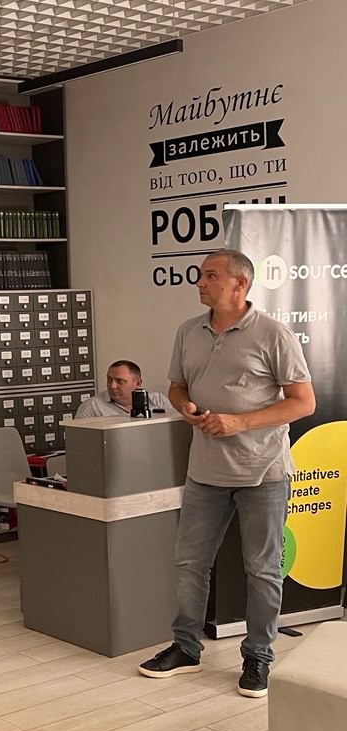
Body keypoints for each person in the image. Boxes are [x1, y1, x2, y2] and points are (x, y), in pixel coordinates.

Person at [138, 249, 314, 698]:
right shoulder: (187, 331)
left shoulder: (273, 334)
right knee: (190, 562)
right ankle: (185, 647)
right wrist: (185, 406)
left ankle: (258, 657)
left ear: (240, 283)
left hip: (264, 472)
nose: (199, 282)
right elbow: (177, 385)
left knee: (262, 569)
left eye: (210, 275)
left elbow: (303, 402)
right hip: (205, 471)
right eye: (200, 275)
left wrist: (239, 422)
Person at [73, 360, 171, 418]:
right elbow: (79, 441)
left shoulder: (159, 401)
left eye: (119, 381)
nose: (112, 386)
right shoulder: (92, 407)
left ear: (137, 383)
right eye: (109, 379)